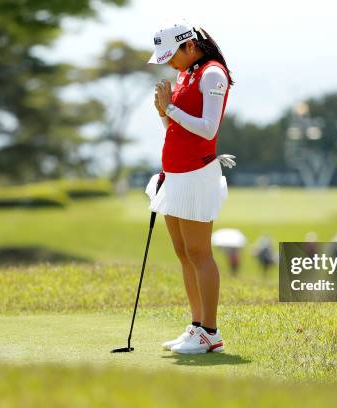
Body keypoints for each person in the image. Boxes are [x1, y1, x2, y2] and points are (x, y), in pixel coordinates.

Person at [145, 20, 236, 354]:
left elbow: (208, 129)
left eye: (172, 55)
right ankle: (196, 327)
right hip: (175, 174)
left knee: (200, 253)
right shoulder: (185, 74)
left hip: (198, 174)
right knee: (184, 253)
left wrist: (169, 107)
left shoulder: (213, 73)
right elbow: (178, 129)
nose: (170, 63)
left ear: (190, 46)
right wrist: (162, 112)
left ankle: (210, 332)